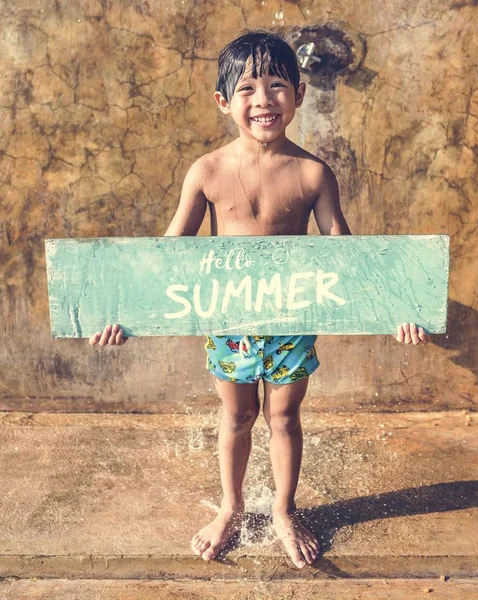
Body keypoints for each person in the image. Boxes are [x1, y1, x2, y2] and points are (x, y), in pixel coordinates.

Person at [89, 31, 431, 569]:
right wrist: (121, 313)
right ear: (225, 102)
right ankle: (230, 506)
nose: (263, 99)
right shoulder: (206, 171)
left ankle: (282, 509)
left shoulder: (314, 173)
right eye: (247, 87)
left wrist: (395, 311)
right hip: (231, 321)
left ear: (297, 93)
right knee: (237, 416)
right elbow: (167, 253)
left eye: (276, 86)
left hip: (292, 316)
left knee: (284, 418)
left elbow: (347, 255)